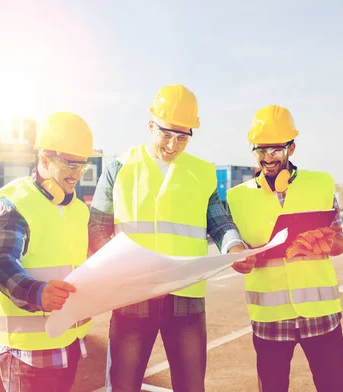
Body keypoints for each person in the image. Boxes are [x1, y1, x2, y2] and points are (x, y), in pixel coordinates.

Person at [88, 84, 248, 392]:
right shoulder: (119, 168)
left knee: (191, 387)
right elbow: (97, 227)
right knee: (123, 386)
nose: (173, 145)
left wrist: (235, 246)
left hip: (185, 299)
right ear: (151, 125)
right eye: (166, 134)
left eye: (182, 136)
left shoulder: (202, 173)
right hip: (133, 296)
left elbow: (220, 222)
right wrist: (124, 270)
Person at [226, 104, 343, 392]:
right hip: (270, 320)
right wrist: (238, 259)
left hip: (321, 316)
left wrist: (328, 243)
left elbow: (340, 243)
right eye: (260, 151)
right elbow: (233, 251)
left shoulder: (320, 185)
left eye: (275, 151)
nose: (267, 159)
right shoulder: (237, 198)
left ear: (291, 148)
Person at [0, 112, 99, 392]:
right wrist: (38, 292)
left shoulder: (78, 210)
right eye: (68, 164)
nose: (75, 173)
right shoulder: (13, 201)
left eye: (81, 166)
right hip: (27, 351)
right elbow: (0, 262)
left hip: (68, 340)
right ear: (44, 160)